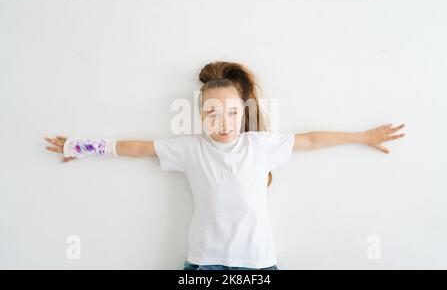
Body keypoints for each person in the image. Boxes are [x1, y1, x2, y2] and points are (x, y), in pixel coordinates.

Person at [44, 61, 406, 270]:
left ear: (242, 112)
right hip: (204, 263)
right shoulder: (190, 149)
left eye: (232, 112)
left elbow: (311, 140)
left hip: (258, 264)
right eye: (213, 113)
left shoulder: (260, 146)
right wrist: (82, 146)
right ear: (200, 115)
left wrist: (363, 137)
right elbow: (136, 148)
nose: (224, 120)